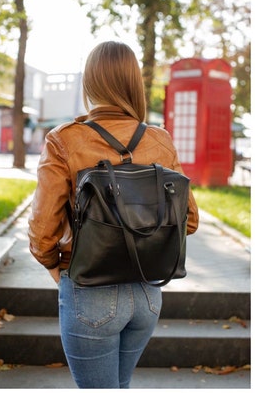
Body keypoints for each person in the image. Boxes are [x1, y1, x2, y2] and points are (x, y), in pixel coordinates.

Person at [27, 41, 199, 388]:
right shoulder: (159, 140)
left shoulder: (64, 140)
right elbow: (189, 220)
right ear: (134, 83)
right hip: (149, 293)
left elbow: (42, 229)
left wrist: (53, 267)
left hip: (90, 291)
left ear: (91, 84)